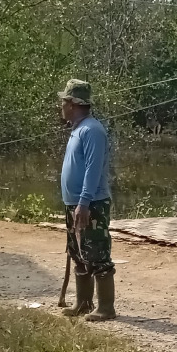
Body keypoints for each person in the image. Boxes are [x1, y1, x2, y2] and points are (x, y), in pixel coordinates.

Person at [57, 79, 115, 321]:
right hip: (76, 204)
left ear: (73, 104)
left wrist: (84, 202)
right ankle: (83, 303)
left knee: (97, 252)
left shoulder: (92, 130)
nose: (61, 106)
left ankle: (106, 308)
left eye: (64, 101)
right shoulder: (77, 129)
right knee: (78, 253)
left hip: (91, 204)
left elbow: (93, 169)